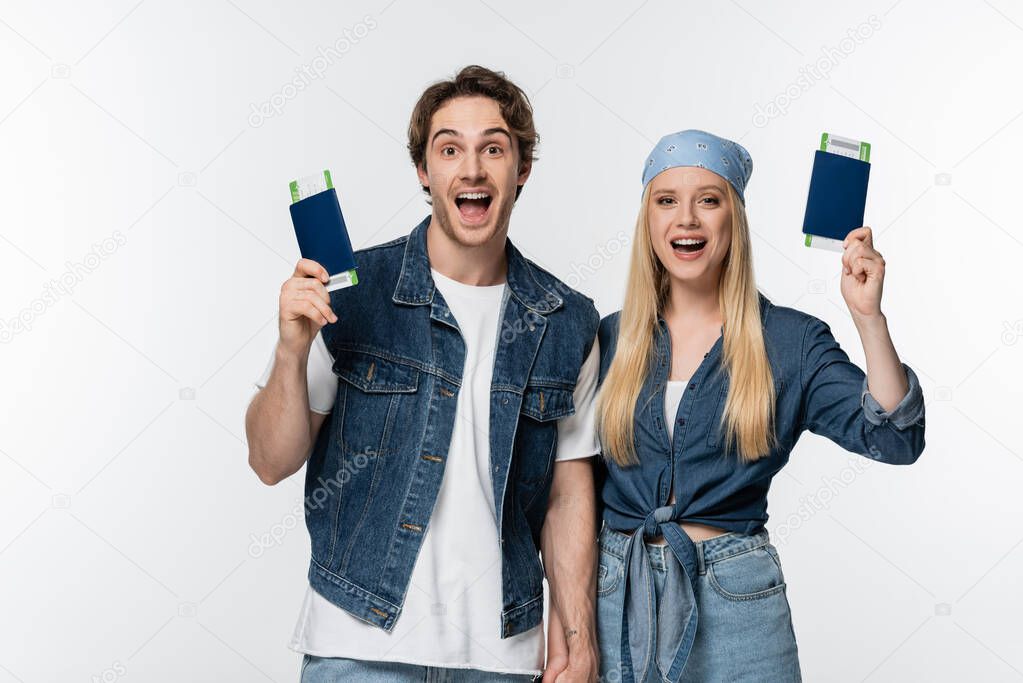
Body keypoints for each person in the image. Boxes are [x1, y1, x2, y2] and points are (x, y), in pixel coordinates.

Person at [246, 65, 601, 682]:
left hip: (504, 657)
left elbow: (567, 496)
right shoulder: (350, 293)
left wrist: (577, 637)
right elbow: (269, 461)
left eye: (493, 148)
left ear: (522, 170)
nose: (471, 169)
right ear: (423, 171)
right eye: (449, 149)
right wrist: (290, 352)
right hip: (359, 650)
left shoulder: (567, 321)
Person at [589, 129, 926, 682]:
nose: (687, 219)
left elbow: (894, 437)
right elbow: (569, 487)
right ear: (648, 221)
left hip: (735, 601)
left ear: (734, 219)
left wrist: (868, 317)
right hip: (616, 599)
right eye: (667, 201)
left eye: (709, 200)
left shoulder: (789, 341)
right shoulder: (609, 340)